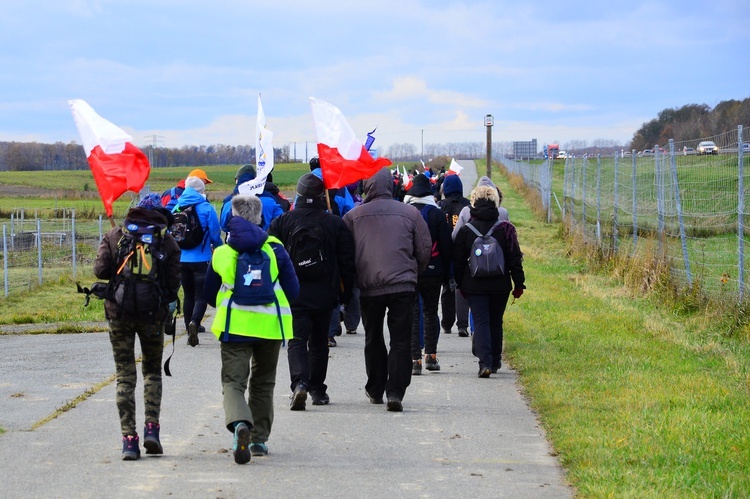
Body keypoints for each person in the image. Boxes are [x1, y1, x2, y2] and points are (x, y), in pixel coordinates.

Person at [204, 195, 299, 464]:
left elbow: (209, 294)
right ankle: (258, 439)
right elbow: (293, 290)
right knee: (264, 382)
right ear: (260, 217)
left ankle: (240, 423)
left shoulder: (222, 252)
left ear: (233, 216)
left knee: (233, 382)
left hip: (235, 327)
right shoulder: (276, 248)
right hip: (270, 327)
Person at [93, 194, 182, 461]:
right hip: (152, 315)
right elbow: (173, 281)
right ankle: (152, 429)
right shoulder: (165, 240)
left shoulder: (116, 235)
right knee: (152, 372)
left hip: (118, 314)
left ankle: (129, 440)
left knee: (124, 376)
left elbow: (99, 271)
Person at [342, 167, 432, 412]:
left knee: (373, 338)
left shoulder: (352, 217)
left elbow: (346, 255)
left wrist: (352, 281)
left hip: (369, 286)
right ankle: (396, 391)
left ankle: (375, 388)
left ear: (367, 186)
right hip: (402, 285)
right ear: (391, 186)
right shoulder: (410, 213)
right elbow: (424, 249)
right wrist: (413, 272)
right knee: (401, 339)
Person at [268, 173, 355, 409]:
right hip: (325, 293)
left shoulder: (283, 221)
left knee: (296, 339)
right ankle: (318, 390)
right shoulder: (335, 223)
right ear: (321, 195)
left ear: (298, 194)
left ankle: (299, 384)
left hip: (293, 292)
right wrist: (346, 296)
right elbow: (348, 262)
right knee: (319, 342)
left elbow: (270, 256)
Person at [452, 182, 525, 378]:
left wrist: (460, 283)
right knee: (495, 321)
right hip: (500, 284)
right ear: (496, 203)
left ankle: (484, 363)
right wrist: (519, 283)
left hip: (474, 284)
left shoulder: (466, 230)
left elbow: (458, 261)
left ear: (473, 204)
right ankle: (495, 360)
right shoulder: (506, 229)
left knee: (481, 321)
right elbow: (514, 258)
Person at [403, 174, 452, 375]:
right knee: (431, 312)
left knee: (413, 313)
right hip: (433, 269)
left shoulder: (406, 212)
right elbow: (446, 245)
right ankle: (431, 356)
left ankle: (415, 360)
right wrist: (448, 272)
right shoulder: (437, 213)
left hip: (411, 270)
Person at [172, 176, 223, 346]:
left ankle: (188, 329)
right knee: (201, 296)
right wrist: (219, 249)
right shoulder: (207, 208)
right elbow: (215, 235)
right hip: (202, 259)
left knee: (188, 295)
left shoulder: (177, 207)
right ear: (202, 191)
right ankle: (195, 322)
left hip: (182, 259)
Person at [438, 174, 471, 337]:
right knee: (462, 286)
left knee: (447, 287)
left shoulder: (441, 205)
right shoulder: (467, 205)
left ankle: (447, 322)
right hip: (462, 252)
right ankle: (462, 323)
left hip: (445, 251)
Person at [220, 164, 283, 232]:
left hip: (237, 240)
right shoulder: (270, 199)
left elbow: (224, 226)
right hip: (264, 239)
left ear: (237, 180)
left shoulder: (229, 201)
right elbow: (280, 221)